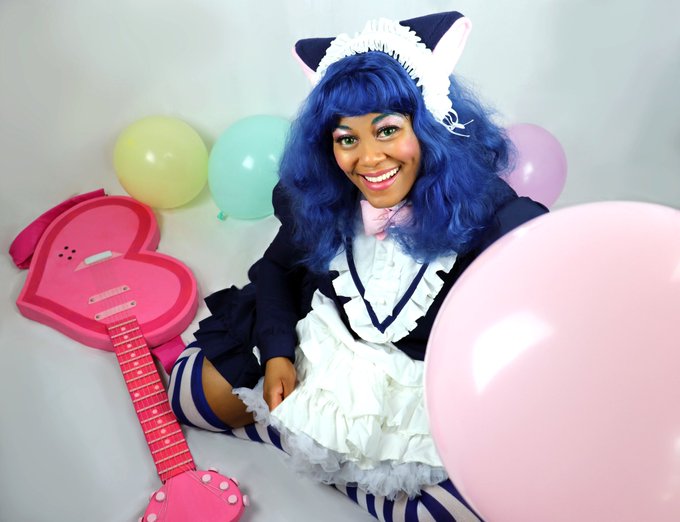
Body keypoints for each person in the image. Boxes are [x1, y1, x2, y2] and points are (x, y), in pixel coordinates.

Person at [168, 10, 548, 522]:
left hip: (416, 380)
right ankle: (302, 437)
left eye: (387, 130)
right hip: (329, 346)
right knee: (190, 393)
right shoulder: (323, 196)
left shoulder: (493, 213)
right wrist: (277, 354)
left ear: (431, 127)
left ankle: (331, 461)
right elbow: (276, 269)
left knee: (454, 513)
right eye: (347, 138)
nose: (368, 159)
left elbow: (536, 309)